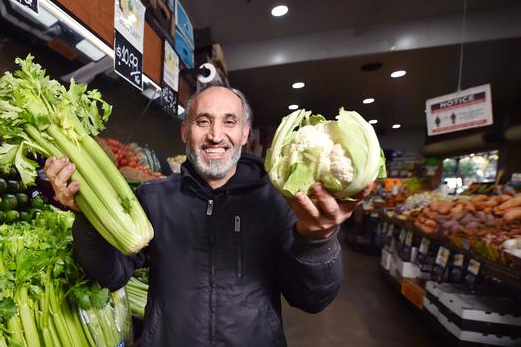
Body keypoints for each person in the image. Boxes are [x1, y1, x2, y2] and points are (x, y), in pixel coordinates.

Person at [43, 85, 372, 346]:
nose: (216, 135)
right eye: (203, 121)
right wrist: (85, 214)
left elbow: (311, 299)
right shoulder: (153, 198)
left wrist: (319, 239)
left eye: (229, 121)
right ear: (185, 133)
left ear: (244, 133)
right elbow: (110, 275)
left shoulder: (276, 202)